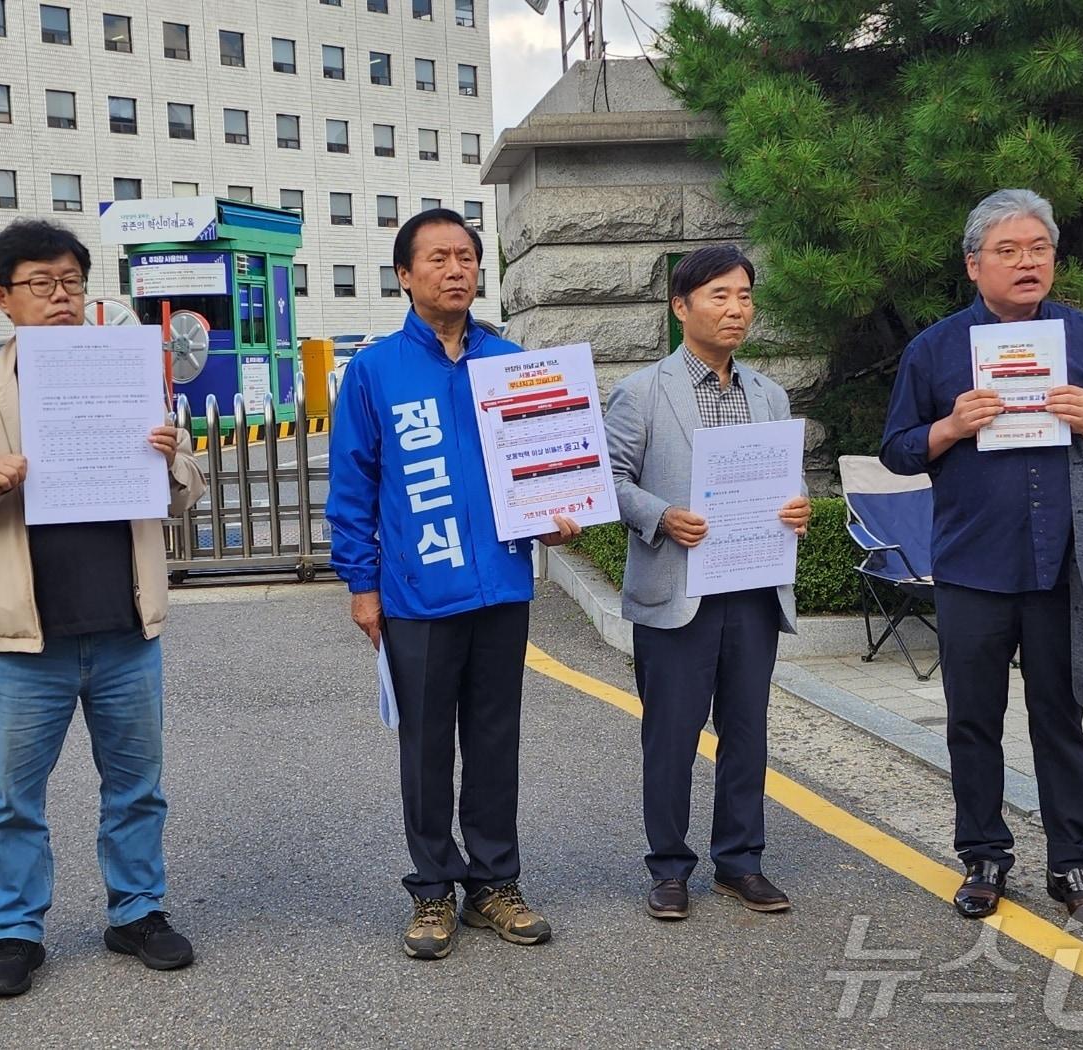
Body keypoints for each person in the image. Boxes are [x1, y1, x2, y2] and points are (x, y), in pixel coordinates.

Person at [0, 219, 206, 996]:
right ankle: (15, 931)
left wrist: (174, 462)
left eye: (71, 281)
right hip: (23, 636)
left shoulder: (130, 372)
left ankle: (137, 912)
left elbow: (188, 489)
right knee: (13, 799)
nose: (61, 296)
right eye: (41, 283)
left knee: (137, 785)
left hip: (126, 627)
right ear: (3, 298)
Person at [881, 188, 1083, 926]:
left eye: (1038, 250)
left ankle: (1073, 865)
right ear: (974, 265)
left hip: (1064, 567)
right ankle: (983, 856)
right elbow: (899, 449)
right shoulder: (936, 349)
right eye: (1007, 252)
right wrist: (949, 427)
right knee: (972, 720)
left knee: (1060, 720)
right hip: (973, 566)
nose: (1026, 263)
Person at [327, 208, 581, 961]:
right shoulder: (374, 371)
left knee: (497, 743)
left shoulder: (510, 363)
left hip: (501, 588)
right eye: (437, 258)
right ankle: (433, 891)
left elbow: (541, 469)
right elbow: (352, 489)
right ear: (404, 275)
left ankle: (495, 885)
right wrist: (362, 584)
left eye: (466, 256)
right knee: (428, 747)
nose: (456, 269)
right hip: (419, 594)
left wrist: (559, 512)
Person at [604, 244, 810, 922]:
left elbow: (787, 478)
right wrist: (661, 516)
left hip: (753, 589)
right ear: (681, 305)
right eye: (720, 295)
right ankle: (668, 867)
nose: (737, 308)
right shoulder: (641, 392)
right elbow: (609, 482)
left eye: (745, 295)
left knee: (748, 732)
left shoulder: (769, 394)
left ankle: (740, 862)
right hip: (678, 592)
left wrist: (798, 506)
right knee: (671, 735)